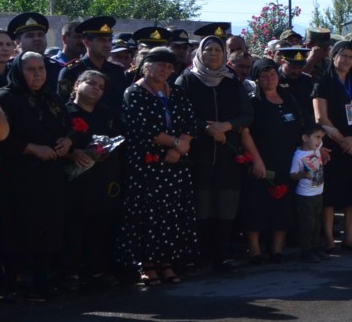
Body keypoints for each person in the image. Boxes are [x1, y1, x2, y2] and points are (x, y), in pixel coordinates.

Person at [119, 47, 201, 284]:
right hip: (147, 166)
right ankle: (147, 264)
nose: (166, 70)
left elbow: (189, 121)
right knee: (147, 214)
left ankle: (167, 262)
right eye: (161, 65)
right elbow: (144, 129)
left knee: (171, 214)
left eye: (169, 66)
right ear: (146, 66)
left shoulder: (175, 91)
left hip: (174, 165)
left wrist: (179, 147)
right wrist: (176, 143)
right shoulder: (134, 93)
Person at [174, 31, 253, 273]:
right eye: (208, 50)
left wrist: (227, 126)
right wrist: (206, 128)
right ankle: (199, 255)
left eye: (218, 50)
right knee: (201, 206)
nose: (213, 54)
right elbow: (179, 113)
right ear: (199, 53)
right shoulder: (186, 80)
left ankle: (221, 256)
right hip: (198, 154)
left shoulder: (231, 82)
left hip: (228, 155)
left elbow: (247, 114)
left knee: (225, 205)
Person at [0, 52, 73, 298]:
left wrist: (67, 141)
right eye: (31, 69)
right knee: (18, 227)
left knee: (48, 226)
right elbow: (0, 139)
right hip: (18, 175)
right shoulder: (5, 99)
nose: (38, 74)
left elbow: (69, 125)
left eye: (41, 68)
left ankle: (42, 281)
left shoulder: (51, 98)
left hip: (49, 174)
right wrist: (30, 148)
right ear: (19, 71)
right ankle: (14, 281)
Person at [62, 69, 127, 286]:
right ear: (76, 85)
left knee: (100, 228)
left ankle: (97, 271)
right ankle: (70, 273)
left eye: (101, 86)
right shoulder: (65, 114)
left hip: (102, 181)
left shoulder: (107, 116)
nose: (96, 89)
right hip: (74, 183)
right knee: (73, 229)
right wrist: (73, 153)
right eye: (91, 83)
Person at [238, 58, 305, 263]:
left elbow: (300, 126)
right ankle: (255, 250)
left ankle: (277, 249)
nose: (269, 79)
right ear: (257, 79)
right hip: (261, 162)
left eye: (273, 74)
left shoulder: (288, 98)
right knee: (256, 206)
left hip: (286, 160)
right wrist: (256, 160)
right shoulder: (253, 101)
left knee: (282, 206)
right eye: (264, 76)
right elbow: (245, 132)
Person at [312, 40, 352, 251]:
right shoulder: (323, 82)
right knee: (331, 195)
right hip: (333, 144)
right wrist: (344, 141)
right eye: (343, 55)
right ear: (334, 57)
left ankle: (349, 237)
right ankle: (330, 239)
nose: (347, 60)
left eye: (351, 56)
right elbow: (321, 117)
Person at [288, 123, 330, 262]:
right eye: (316, 137)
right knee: (308, 223)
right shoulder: (299, 155)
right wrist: (302, 175)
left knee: (317, 223)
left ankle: (315, 247)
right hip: (305, 195)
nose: (319, 141)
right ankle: (306, 250)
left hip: (318, 192)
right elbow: (292, 174)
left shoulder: (316, 150)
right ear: (305, 137)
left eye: (321, 138)